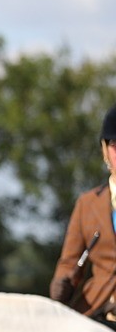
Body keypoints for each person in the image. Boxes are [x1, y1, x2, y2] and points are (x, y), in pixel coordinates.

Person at [49, 103, 116, 318]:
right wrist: (62, 282)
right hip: (96, 310)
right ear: (105, 150)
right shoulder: (87, 204)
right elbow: (69, 261)